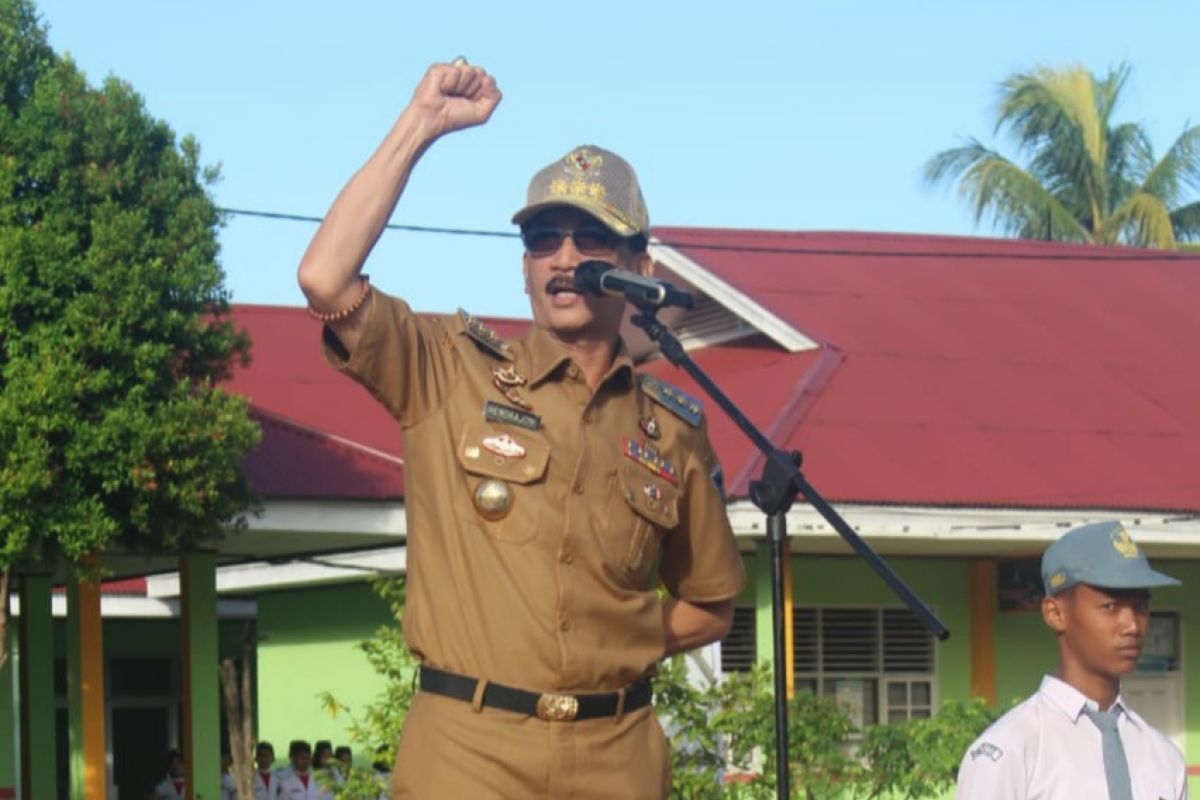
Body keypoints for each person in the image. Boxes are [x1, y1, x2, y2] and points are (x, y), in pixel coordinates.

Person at [297, 59, 745, 799]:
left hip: (618, 753)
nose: (565, 257)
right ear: (526, 267)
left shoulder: (670, 430)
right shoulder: (449, 370)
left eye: (591, 237)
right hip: (470, 751)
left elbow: (709, 603)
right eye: (543, 238)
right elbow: (324, 279)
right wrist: (422, 125)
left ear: (638, 264)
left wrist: (619, 639)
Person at [955, 520, 1187, 799]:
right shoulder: (1010, 751)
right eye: (1110, 606)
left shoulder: (1163, 757)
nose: (1132, 626)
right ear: (1055, 614)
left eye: (1140, 607)